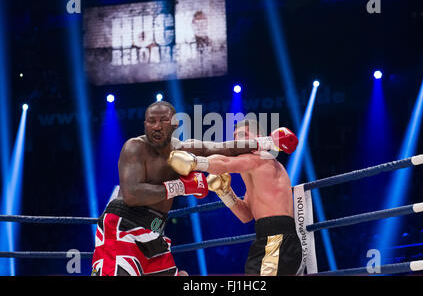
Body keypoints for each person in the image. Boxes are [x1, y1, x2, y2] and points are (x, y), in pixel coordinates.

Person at [91, 102, 282, 276]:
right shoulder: (134, 147)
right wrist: (182, 186)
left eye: (163, 120)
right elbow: (132, 195)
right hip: (123, 227)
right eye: (151, 121)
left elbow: (226, 148)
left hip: (155, 231)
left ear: (175, 125)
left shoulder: (185, 149)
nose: (157, 126)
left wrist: (268, 142)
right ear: (145, 125)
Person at [168, 119, 302, 275]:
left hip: (278, 239)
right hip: (266, 239)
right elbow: (246, 215)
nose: (238, 141)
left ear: (258, 137)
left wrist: (195, 162)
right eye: (236, 137)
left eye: (243, 135)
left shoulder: (262, 159)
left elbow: (225, 162)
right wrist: (225, 192)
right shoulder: (252, 172)